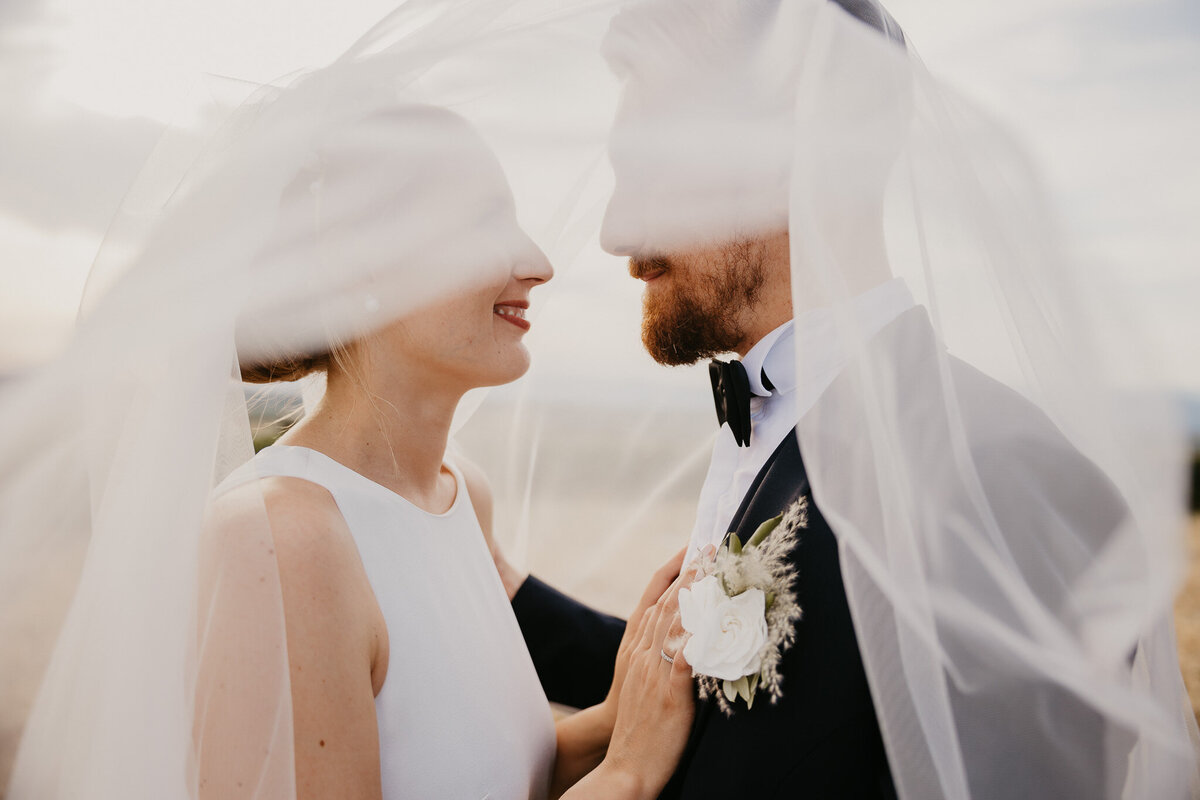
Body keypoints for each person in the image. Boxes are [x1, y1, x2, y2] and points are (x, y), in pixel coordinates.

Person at [506, 0, 1200, 798]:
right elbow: (777, 708)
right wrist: (511, 594)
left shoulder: (999, 476)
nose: (614, 234)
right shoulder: (777, 417)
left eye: (650, 167)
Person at [1, 49, 697, 800]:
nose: (536, 262)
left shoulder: (462, 495)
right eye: (482, 221)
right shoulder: (276, 540)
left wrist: (622, 719)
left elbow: (484, 771)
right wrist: (625, 777)